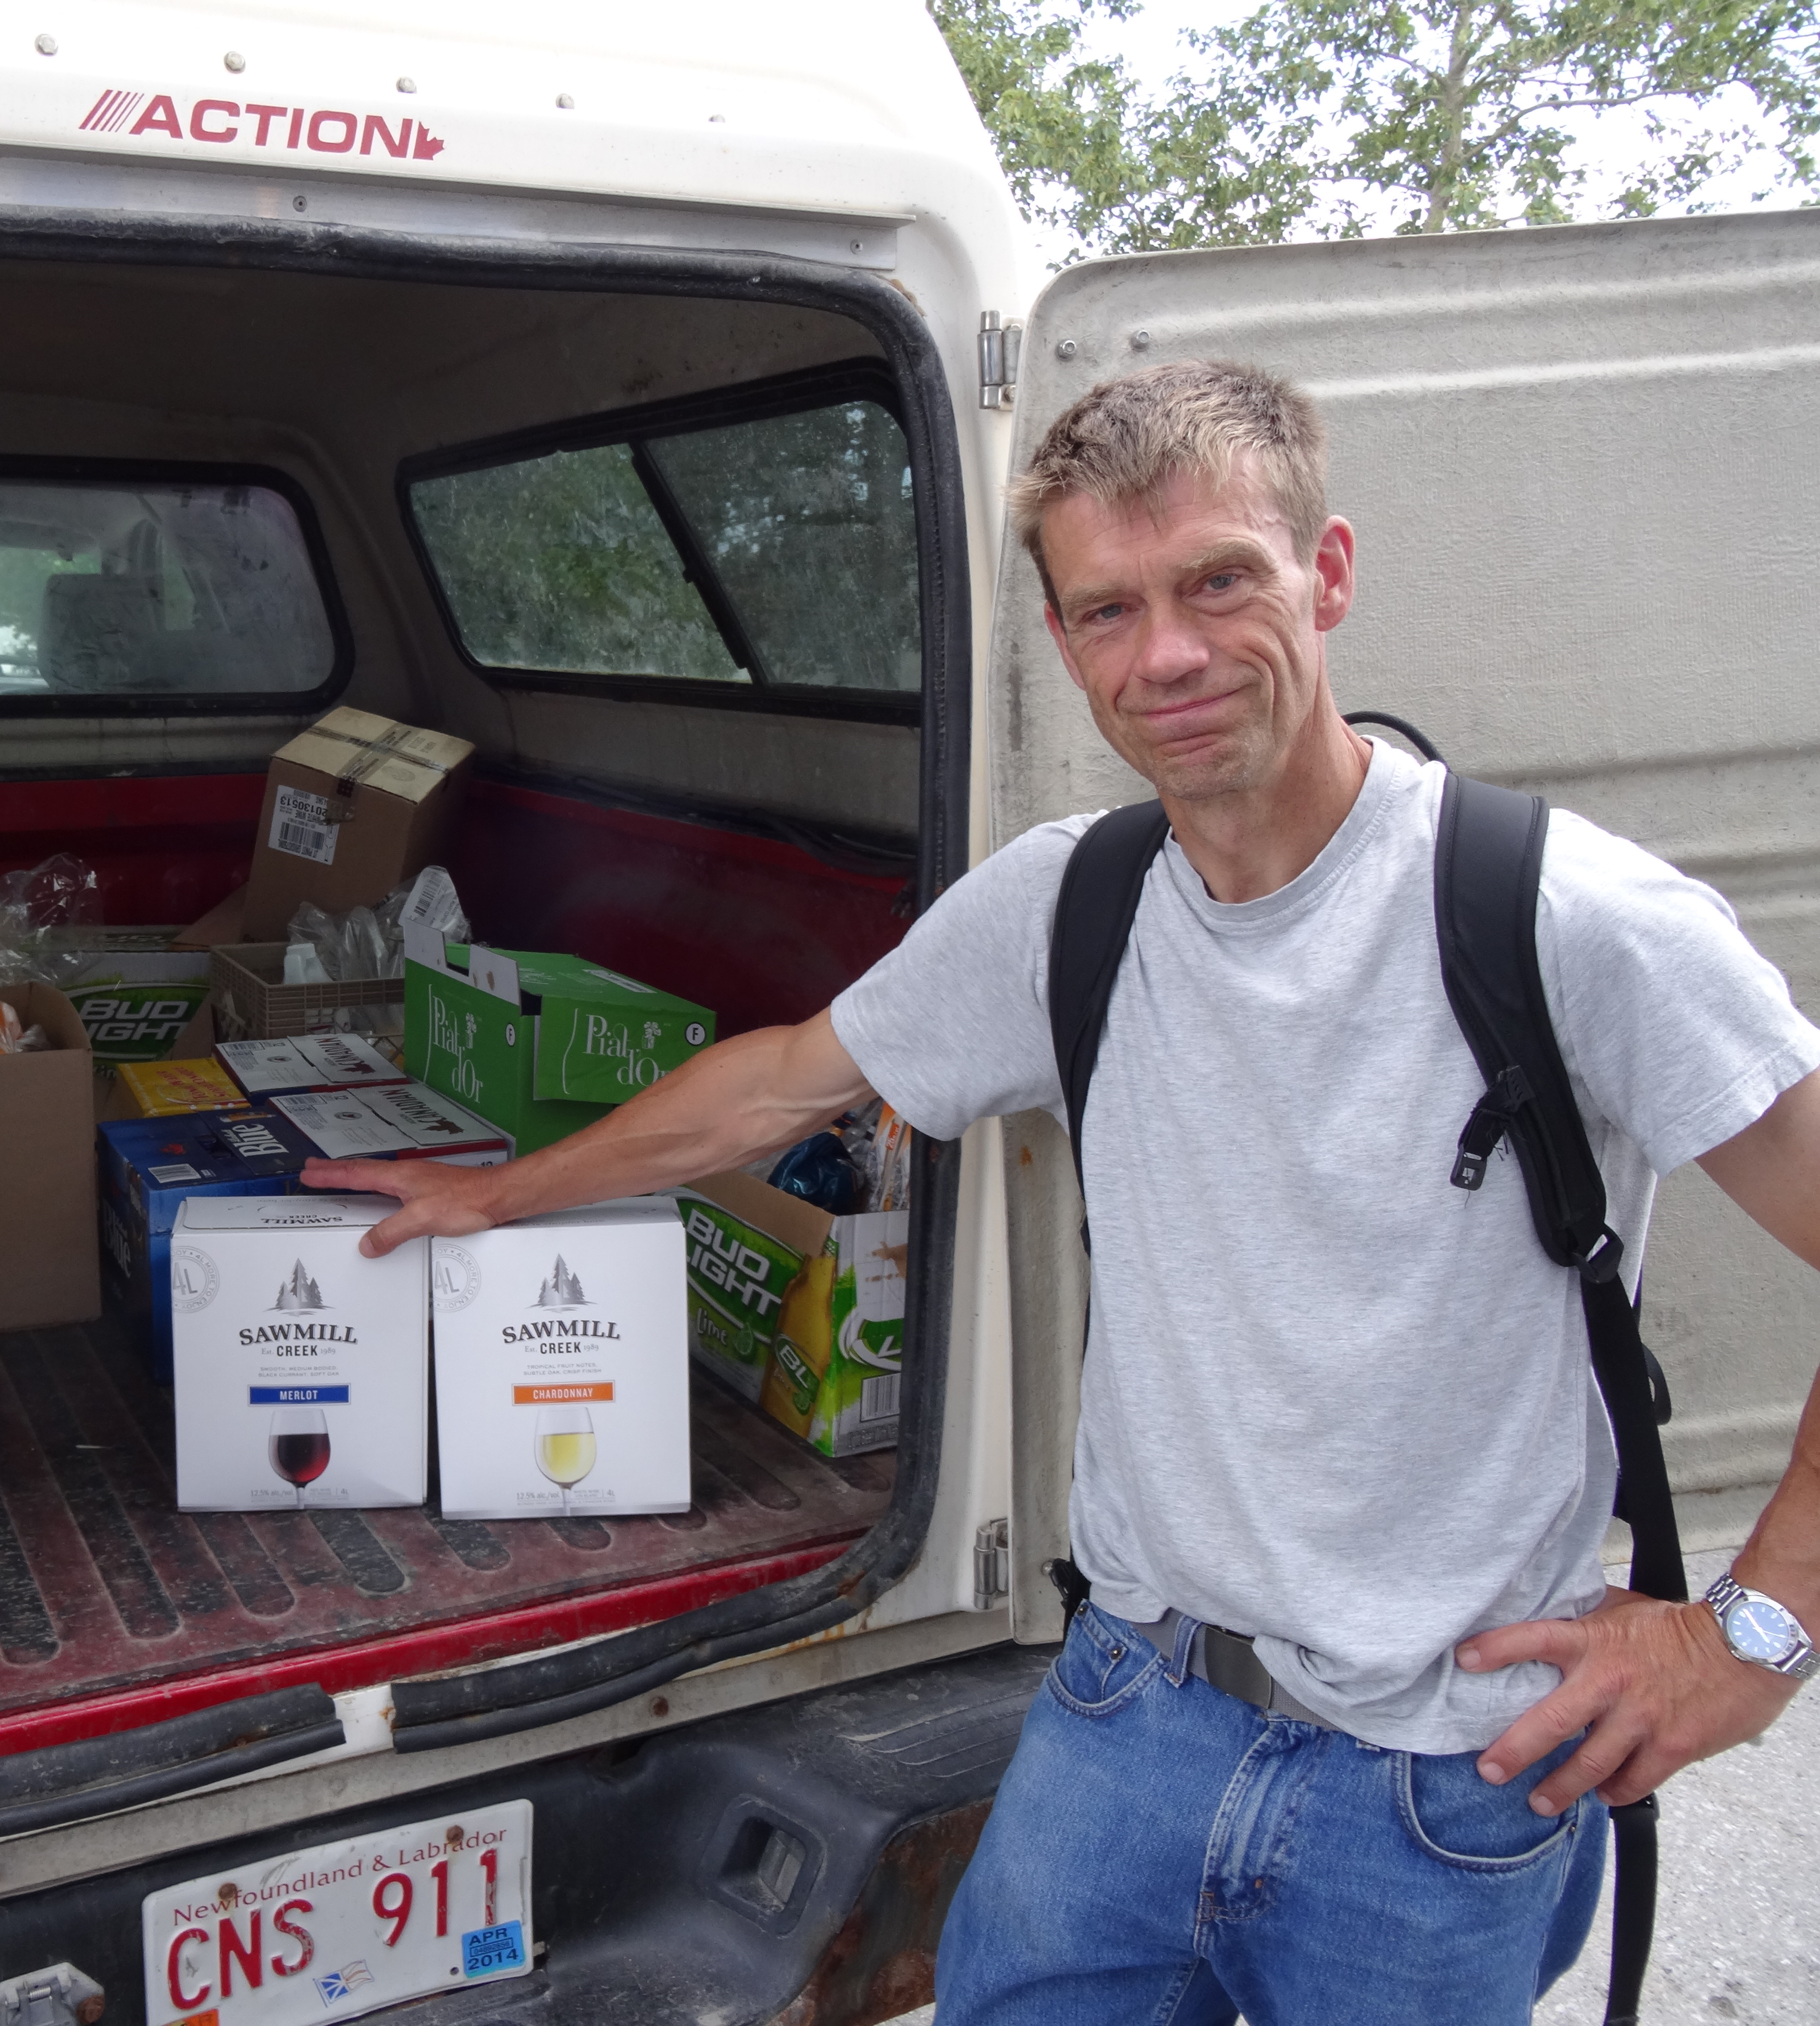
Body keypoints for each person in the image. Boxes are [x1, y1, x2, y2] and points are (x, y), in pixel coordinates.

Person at [305, 359, 1820, 2021]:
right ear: (1063, 638)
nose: (1164, 654)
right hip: (1128, 1714)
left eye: (1218, 583)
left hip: (1441, 1781)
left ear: (1326, 575)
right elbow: (786, 1080)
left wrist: (1754, 1638)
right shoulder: (1067, 905)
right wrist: (499, 1194)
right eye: (1109, 610)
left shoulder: (1570, 920)